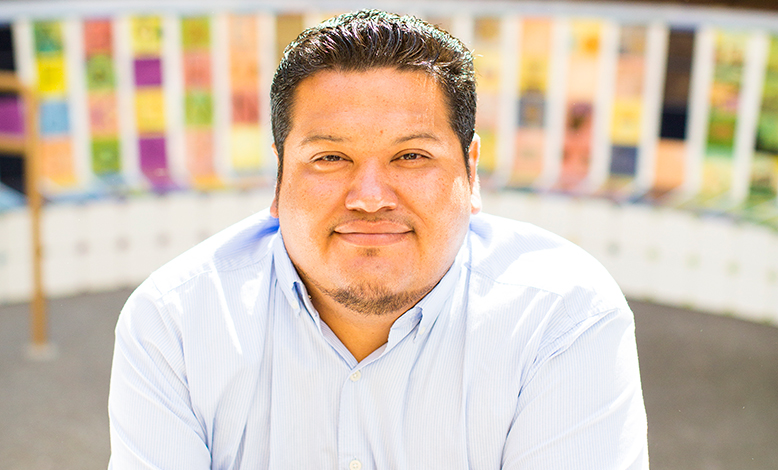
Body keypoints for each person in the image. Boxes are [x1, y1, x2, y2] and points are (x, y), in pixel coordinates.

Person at [108, 9, 648, 469]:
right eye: (330, 158)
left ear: (471, 170)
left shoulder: (562, 318)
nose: (369, 198)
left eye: (411, 156)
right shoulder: (176, 322)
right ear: (278, 178)